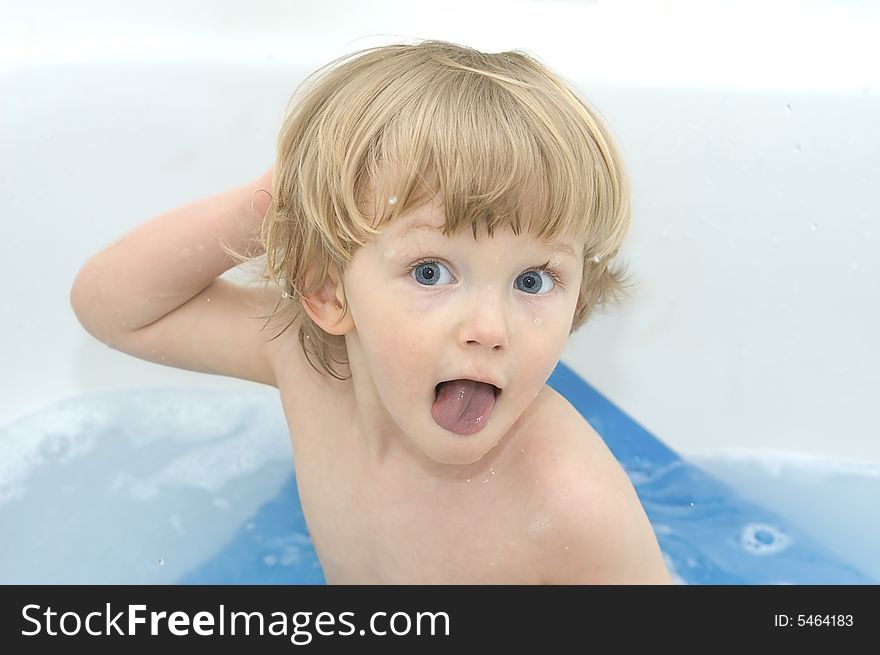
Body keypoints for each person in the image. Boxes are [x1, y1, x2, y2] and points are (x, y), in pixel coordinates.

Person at [71, 40, 672, 584]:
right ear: (330, 294)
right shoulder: (309, 364)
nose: (491, 329)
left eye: (533, 280)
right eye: (431, 272)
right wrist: (274, 205)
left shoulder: (570, 504)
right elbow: (117, 311)